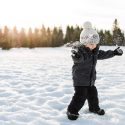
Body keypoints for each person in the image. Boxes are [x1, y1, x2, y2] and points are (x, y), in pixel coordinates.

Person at [67, 21, 123, 120]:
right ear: (84, 42)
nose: (93, 45)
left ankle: (94, 108)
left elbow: (103, 54)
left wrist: (114, 52)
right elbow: (78, 59)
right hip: (80, 80)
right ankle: (72, 111)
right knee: (80, 97)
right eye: (90, 43)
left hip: (90, 80)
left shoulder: (95, 52)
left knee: (93, 94)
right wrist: (76, 55)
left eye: (95, 43)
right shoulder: (81, 52)